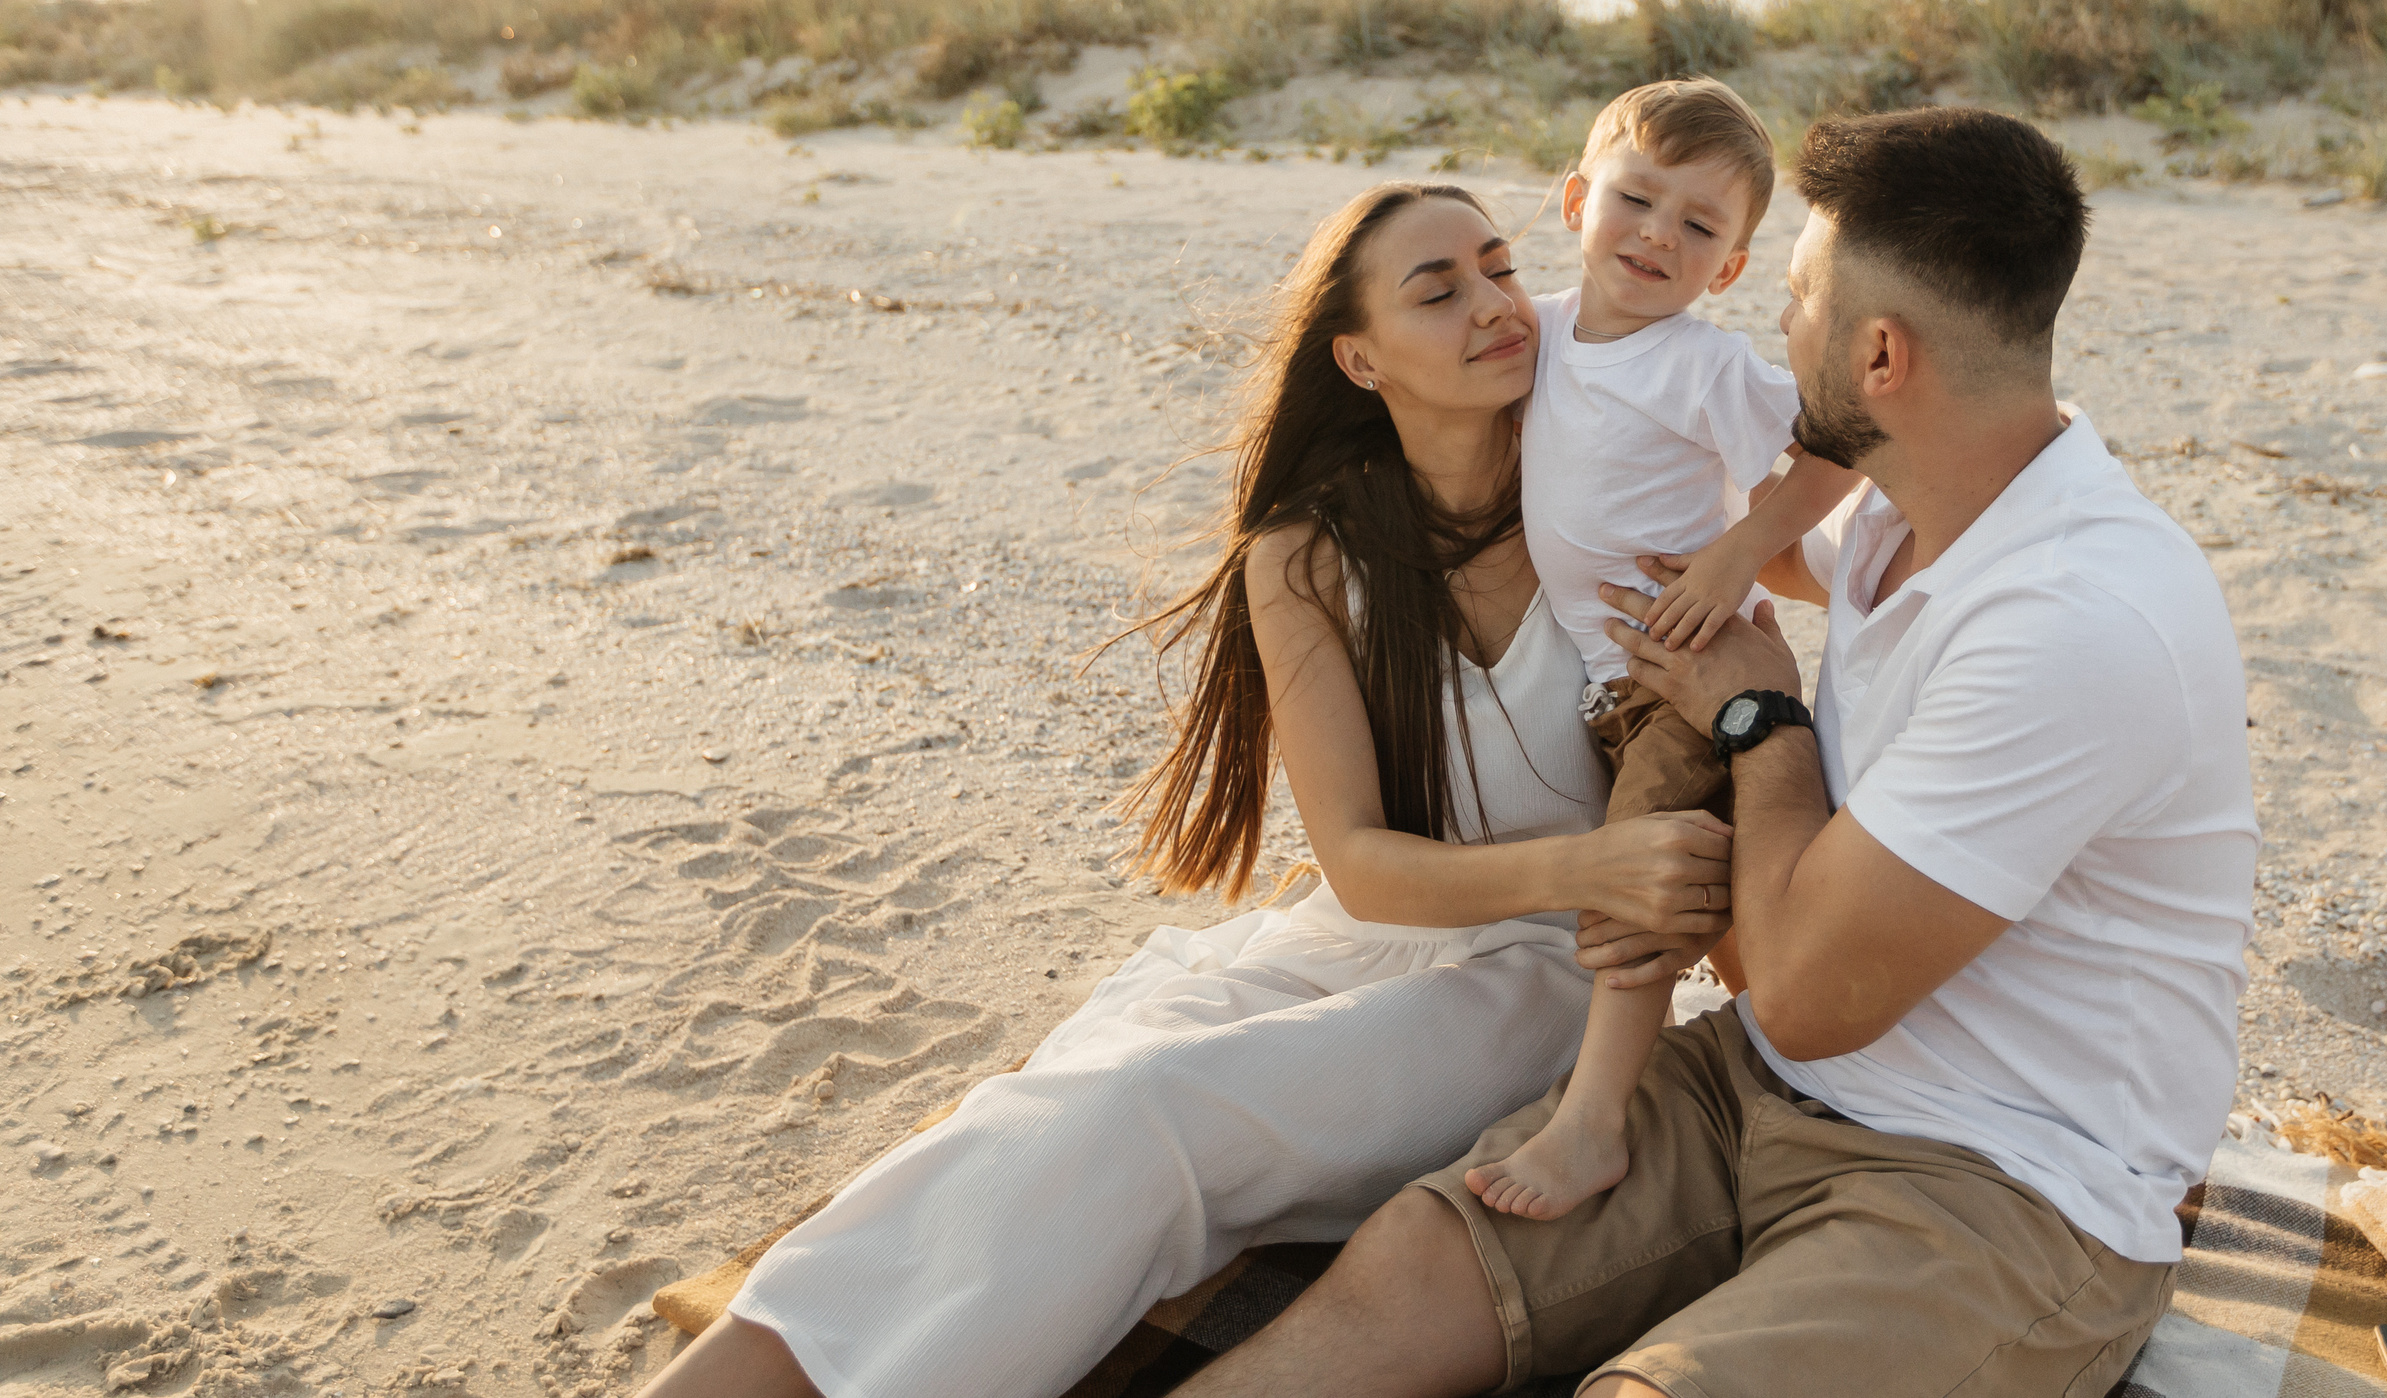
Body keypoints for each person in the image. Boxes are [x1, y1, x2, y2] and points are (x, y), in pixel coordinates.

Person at [1173, 107, 2259, 1398]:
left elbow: (1803, 984)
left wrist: (1759, 718)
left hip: (2006, 1180)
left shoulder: (2081, 622)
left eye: (1793, 294)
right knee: (1411, 1265)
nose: (1773, 328)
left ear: (1880, 354)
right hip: (1761, 1084)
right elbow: (1664, 532)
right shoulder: (1897, 516)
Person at [632, 182, 1740, 1398]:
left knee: (1150, 1113)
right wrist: (1585, 860)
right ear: (1359, 361)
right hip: (1362, 932)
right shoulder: (1308, 552)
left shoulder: (1619, 519)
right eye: (1439, 290)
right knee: (1046, 1104)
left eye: (1497, 266)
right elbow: (1361, 866)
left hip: (1542, 975)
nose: (1494, 305)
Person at [1466, 79, 1861, 1223]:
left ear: (1729, 268)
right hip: (1600, 677)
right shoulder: (1537, 330)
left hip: (1685, 674)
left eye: (1698, 227)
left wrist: (1742, 548)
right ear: (1577, 198)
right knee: (1731, 898)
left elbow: (1833, 449)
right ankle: (1803, 1078)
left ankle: (1592, 1125)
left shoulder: (1698, 364)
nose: (1657, 235)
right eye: (1637, 199)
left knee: (1644, 874)